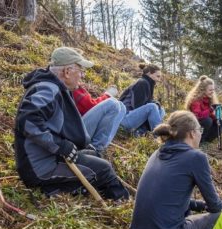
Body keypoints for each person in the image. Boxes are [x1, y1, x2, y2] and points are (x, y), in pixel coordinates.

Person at [14, 46, 129, 200]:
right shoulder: (48, 89)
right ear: (67, 72)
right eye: (80, 70)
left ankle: (93, 189)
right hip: (41, 169)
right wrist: (60, 145)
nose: (82, 75)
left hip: (49, 158)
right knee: (104, 169)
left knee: (95, 155)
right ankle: (125, 206)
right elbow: (27, 120)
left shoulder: (54, 87)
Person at [130, 110, 222, 229]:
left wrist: (200, 205)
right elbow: (216, 207)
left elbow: (168, 198)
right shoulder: (196, 157)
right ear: (192, 134)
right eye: (200, 130)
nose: (201, 134)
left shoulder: (157, 153)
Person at [72, 84, 126, 153]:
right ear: (67, 73)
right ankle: (95, 148)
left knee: (122, 107)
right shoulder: (71, 87)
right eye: (80, 72)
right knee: (113, 104)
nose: (82, 75)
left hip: (80, 126)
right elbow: (90, 106)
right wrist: (108, 95)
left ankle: (99, 146)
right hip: (75, 132)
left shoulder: (72, 84)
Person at [119, 64, 165, 136]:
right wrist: (154, 104)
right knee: (152, 107)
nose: (159, 80)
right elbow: (137, 106)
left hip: (131, 118)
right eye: (157, 76)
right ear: (149, 73)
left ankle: (139, 132)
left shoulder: (148, 84)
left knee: (161, 110)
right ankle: (160, 136)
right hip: (123, 118)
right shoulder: (142, 83)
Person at [184, 75, 222, 144]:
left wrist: (217, 119)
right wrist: (210, 110)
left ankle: (206, 141)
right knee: (207, 121)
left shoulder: (210, 100)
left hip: (205, 126)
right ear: (203, 90)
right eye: (210, 90)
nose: (212, 92)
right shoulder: (195, 100)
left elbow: (211, 115)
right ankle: (198, 141)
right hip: (195, 126)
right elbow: (197, 116)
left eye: (213, 90)